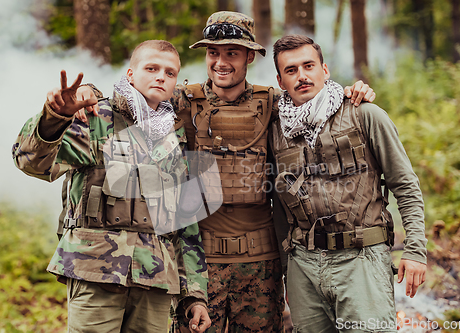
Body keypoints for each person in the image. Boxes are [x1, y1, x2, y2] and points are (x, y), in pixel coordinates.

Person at [75, 12, 375, 332]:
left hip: (261, 263)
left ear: (249, 56)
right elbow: (130, 97)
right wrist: (89, 92)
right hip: (199, 266)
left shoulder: (274, 103)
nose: (221, 61)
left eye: (232, 52)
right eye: (213, 52)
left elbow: (314, 101)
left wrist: (349, 91)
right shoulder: (181, 101)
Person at [12, 40, 211, 333]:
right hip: (96, 270)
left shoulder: (173, 138)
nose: (161, 77)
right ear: (130, 74)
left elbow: (185, 224)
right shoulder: (95, 118)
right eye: (152, 68)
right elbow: (30, 161)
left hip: (155, 279)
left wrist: (194, 294)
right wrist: (54, 118)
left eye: (170, 73)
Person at [270, 34, 427, 333]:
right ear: (280, 80)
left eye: (308, 66)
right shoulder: (276, 131)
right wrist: (287, 272)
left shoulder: (364, 114)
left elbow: (405, 185)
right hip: (303, 266)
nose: (302, 76)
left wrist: (415, 250)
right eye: (291, 70)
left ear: (325, 70)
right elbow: (278, 207)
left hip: (361, 260)